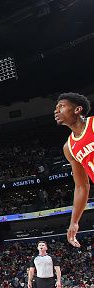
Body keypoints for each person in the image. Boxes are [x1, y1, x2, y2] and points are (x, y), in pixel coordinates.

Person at [54, 92, 92, 247]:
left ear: (77, 110)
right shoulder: (69, 148)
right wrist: (74, 221)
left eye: (61, 106)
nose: (56, 111)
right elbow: (82, 186)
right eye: (55, 108)